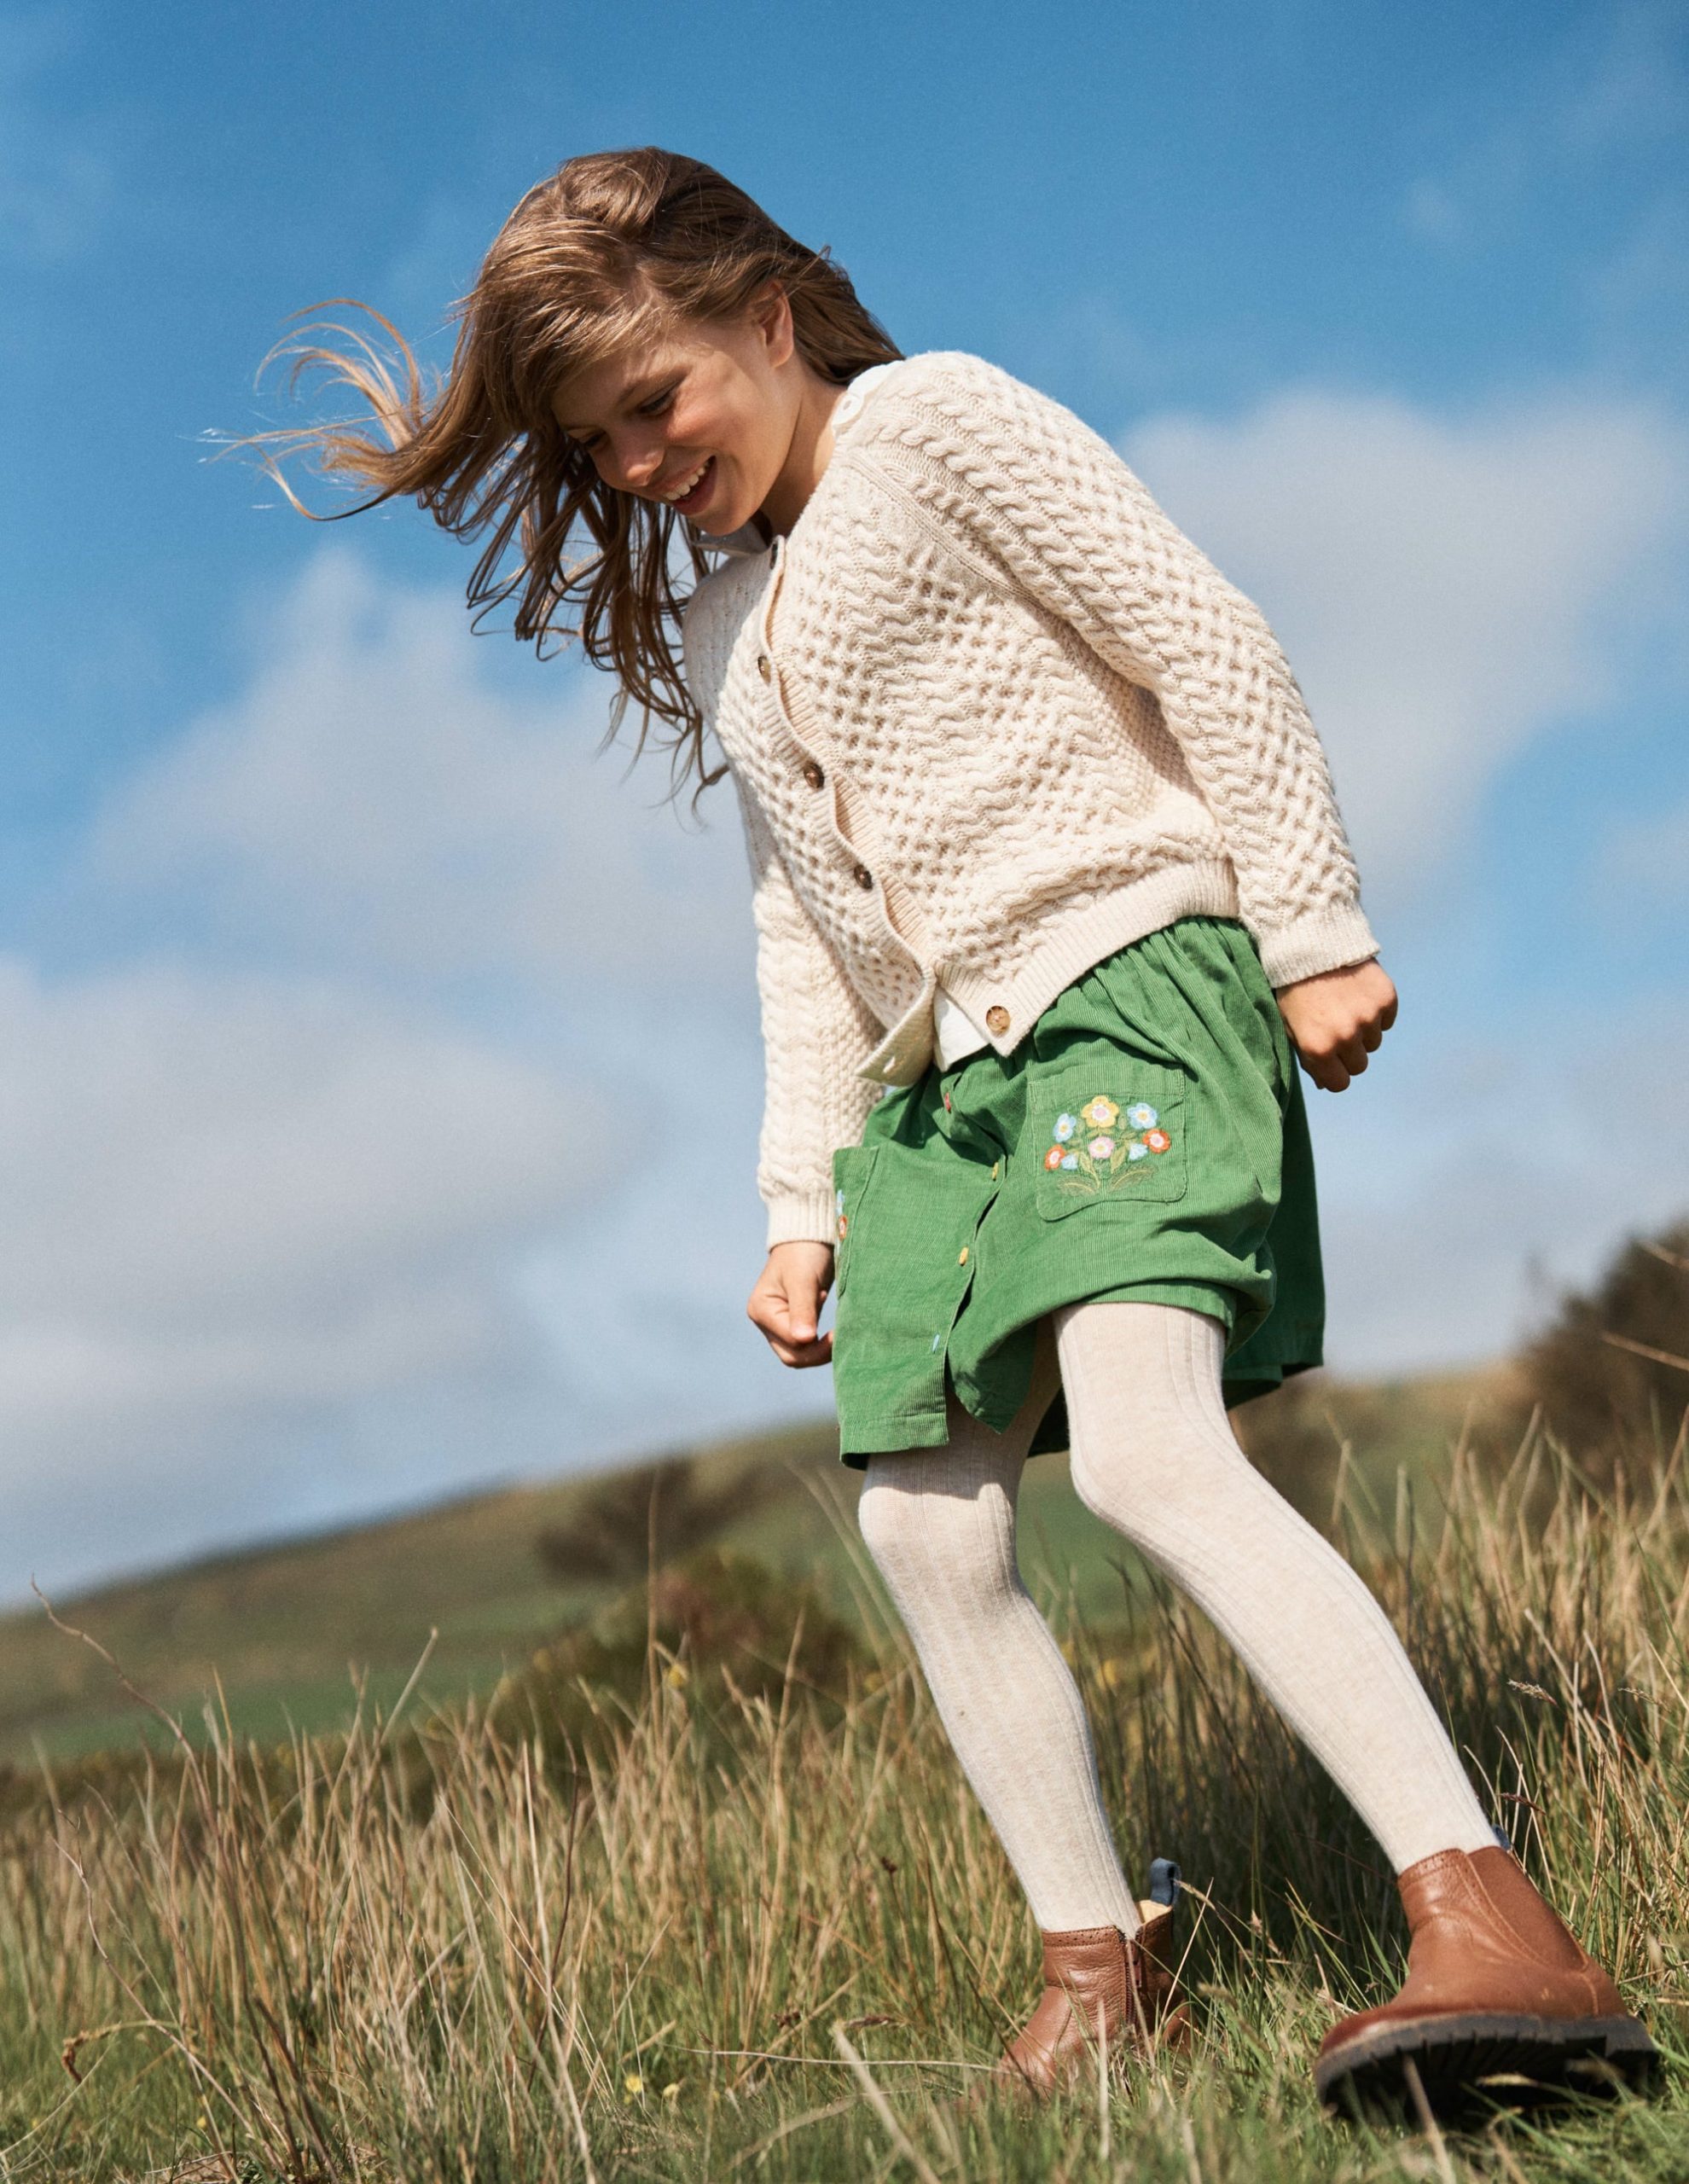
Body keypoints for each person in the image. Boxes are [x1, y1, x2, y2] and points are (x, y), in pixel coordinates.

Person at [259, 146, 1656, 2117]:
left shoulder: (938, 422)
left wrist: (1313, 919)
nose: (644, 463)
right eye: (601, 445)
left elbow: (1206, 632)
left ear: (762, 312)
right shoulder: (738, 627)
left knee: (1155, 1454)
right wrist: (800, 1198)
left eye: (655, 403)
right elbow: (795, 930)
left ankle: (1488, 1907)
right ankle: (1106, 1973)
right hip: (936, 1091)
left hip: (1127, 977)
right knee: (923, 1523)